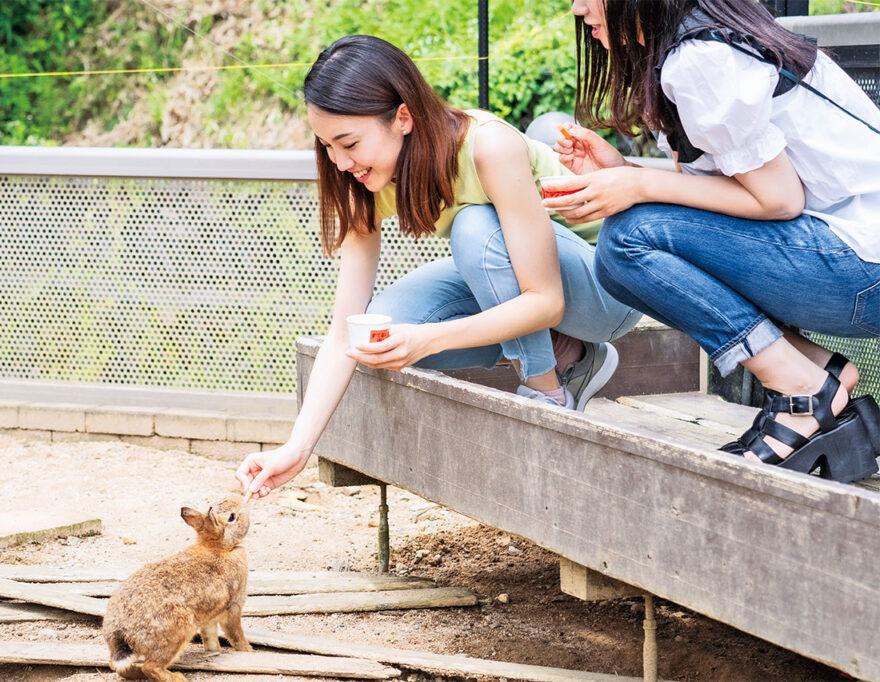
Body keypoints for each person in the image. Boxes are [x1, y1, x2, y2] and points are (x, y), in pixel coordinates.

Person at [236, 35, 641, 499]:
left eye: (349, 143)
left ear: (403, 118)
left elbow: (545, 300)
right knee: (381, 332)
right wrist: (296, 447)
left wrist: (427, 339)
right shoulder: (362, 179)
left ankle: (548, 394)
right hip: (529, 284)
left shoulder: (487, 145)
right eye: (327, 146)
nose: (340, 162)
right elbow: (343, 334)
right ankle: (571, 355)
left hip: (606, 288)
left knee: (473, 227)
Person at [545, 0, 880, 482]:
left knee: (626, 242)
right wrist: (624, 173)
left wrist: (637, 187)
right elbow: (727, 196)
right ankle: (816, 374)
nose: (578, 8)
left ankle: (803, 390)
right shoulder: (695, 41)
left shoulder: (701, 57)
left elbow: (779, 200)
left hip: (862, 265)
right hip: (850, 258)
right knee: (622, 249)